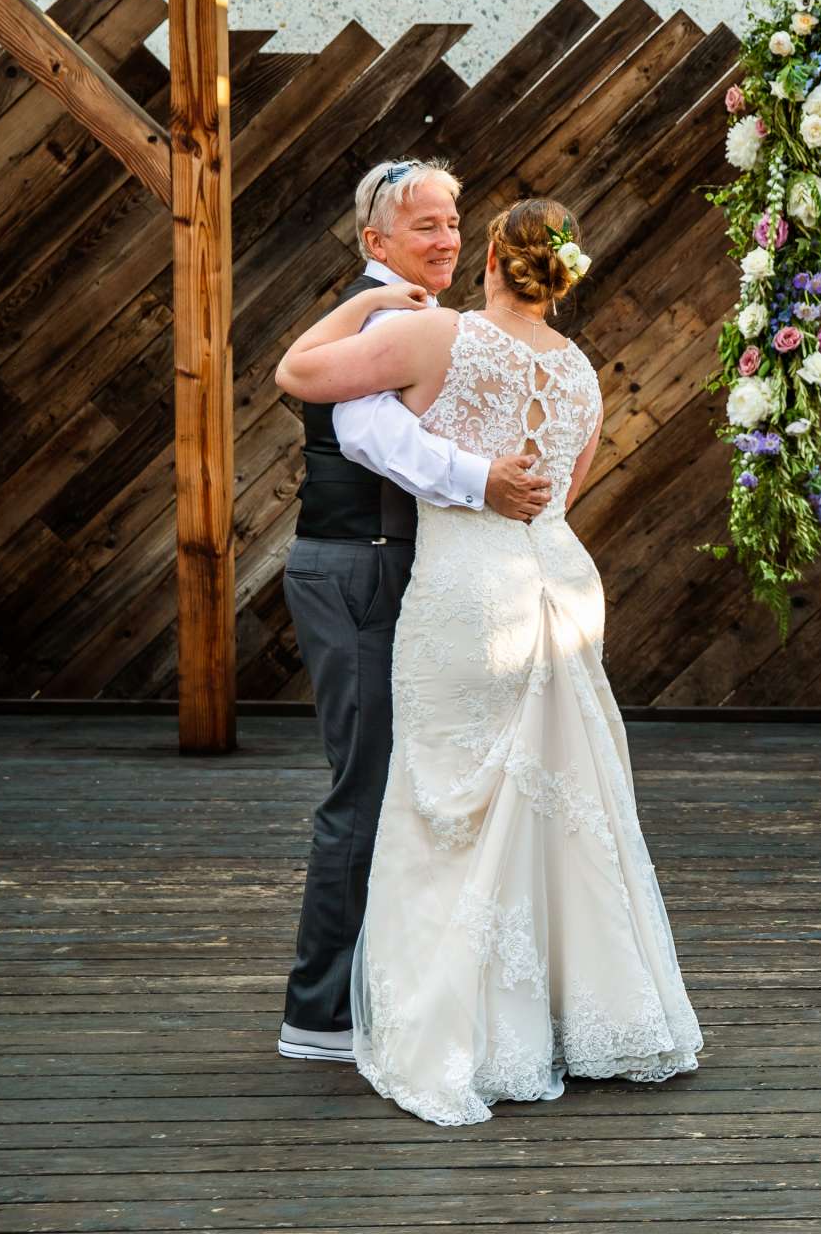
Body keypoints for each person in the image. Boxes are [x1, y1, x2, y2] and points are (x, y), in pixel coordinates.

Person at [275, 198, 701, 1125]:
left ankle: (462, 1026)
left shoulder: (440, 339)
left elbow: (297, 372)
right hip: (557, 583)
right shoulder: (583, 371)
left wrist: (363, 306)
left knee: (448, 807)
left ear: (495, 262)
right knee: (558, 801)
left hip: (467, 595)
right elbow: (561, 491)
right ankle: (571, 1021)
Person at [275, 160, 552, 1066]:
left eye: (453, 223)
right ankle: (319, 1014)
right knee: (364, 788)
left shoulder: (422, 320)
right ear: (376, 241)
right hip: (360, 567)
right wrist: (484, 481)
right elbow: (369, 439)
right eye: (426, 225)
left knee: (408, 782)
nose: (447, 239)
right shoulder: (384, 314)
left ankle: (386, 990)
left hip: (401, 570)